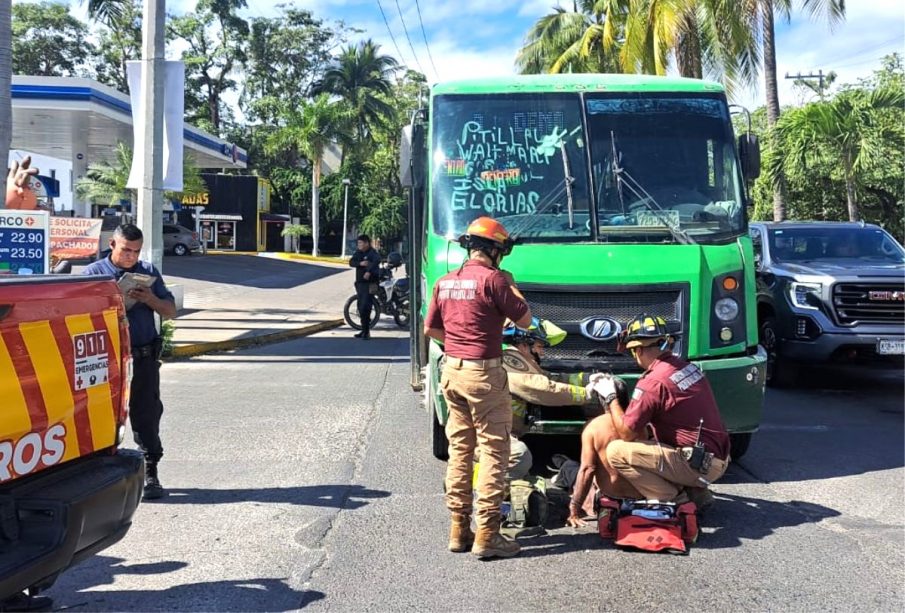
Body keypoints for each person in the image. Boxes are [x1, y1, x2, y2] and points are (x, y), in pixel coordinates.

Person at [424, 216, 532, 559]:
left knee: (460, 450)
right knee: (494, 453)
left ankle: (459, 529)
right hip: (484, 374)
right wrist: (510, 284)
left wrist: (458, 347)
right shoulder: (495, 281)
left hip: (452, 372)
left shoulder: (445, 282)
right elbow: (526, 319)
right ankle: (488, 534)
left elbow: (432, 331)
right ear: (497, 251)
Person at [567, 314, 730, 527]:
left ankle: (677, 500)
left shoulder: (653, 382)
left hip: (699, 464)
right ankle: (694, 489)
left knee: (616, 450)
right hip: (717, 457)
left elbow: (625, 433)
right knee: (649, 444)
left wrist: (610, 397)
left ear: (638, 350)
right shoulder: (686, 367)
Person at [84, 224, 176, 500]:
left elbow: (170, 311)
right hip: (107, 360)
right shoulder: (94, 274)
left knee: (147, 414)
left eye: (135, 251)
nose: (130, 257)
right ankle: (97, 476)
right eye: (125, 250)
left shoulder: (147, 273)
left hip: (144, 356)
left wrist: (150, 298)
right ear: (112, 244)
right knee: (100, 416)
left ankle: (151, 472)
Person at [500, 318, 599, 480]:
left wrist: (589, 379)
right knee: (519, 455)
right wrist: (586, 394)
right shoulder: (508, 363)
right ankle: (495, 494)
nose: (542, 352)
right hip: (485, 436)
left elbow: (552, 378)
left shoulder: (516, 361)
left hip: (498, 431)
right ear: (524, 344)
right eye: (539, 346)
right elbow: (543, 389)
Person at [348, 234, 381, 340]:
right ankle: (363, 330)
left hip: (370, 284)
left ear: (367, 243)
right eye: (358, 243)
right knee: (360, 306)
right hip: (360, 283)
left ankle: (366, 332)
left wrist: (369, 272)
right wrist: (360, 263)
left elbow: (376, 262)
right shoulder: (358, 253)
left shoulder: (372, 253)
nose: (359, 245)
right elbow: (351, 262)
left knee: (365, 307)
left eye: (361, 243)